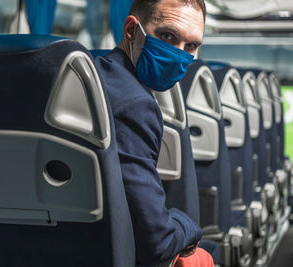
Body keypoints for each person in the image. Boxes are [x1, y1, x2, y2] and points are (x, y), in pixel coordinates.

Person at [94, 0, 213, 266]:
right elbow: (157, 243)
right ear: (130, 30)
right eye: (168, 36)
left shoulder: (94, 70)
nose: (179, 54)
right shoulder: (135, 104)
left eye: (191, 46)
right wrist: (190, 224)